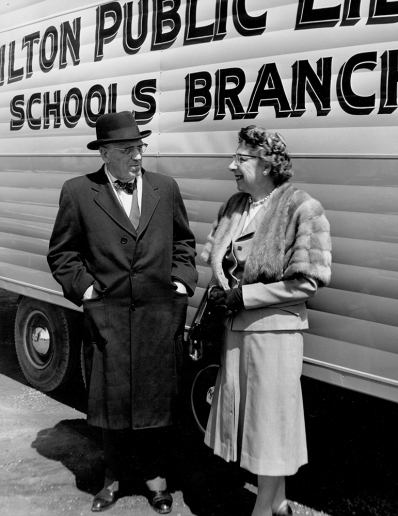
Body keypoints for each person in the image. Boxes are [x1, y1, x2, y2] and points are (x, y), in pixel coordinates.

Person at [47, 111, 198, 514]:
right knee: (112, 404)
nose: (137, 156)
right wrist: (89, 290)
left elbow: (184, 242)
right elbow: (63, 254)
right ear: (106, 153)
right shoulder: (79, 191)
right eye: (128, 149)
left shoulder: (165, 188)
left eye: (140, 147)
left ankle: (155, 479)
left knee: (156, 402)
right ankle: (111, 477)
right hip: (108, 317)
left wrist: (182, 282)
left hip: (158, 316)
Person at [201, 125, 332, 516]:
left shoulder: (302, 207)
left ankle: (264, 508)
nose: (231, 166)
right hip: (236, 331)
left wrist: (245, 295)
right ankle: (278, 505)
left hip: (275, 332)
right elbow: (217, 263)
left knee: (268, 426)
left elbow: (308, 280)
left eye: (241, 159)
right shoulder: (235, 207)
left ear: (268, 164)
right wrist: (211, 307)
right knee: (250, 424)